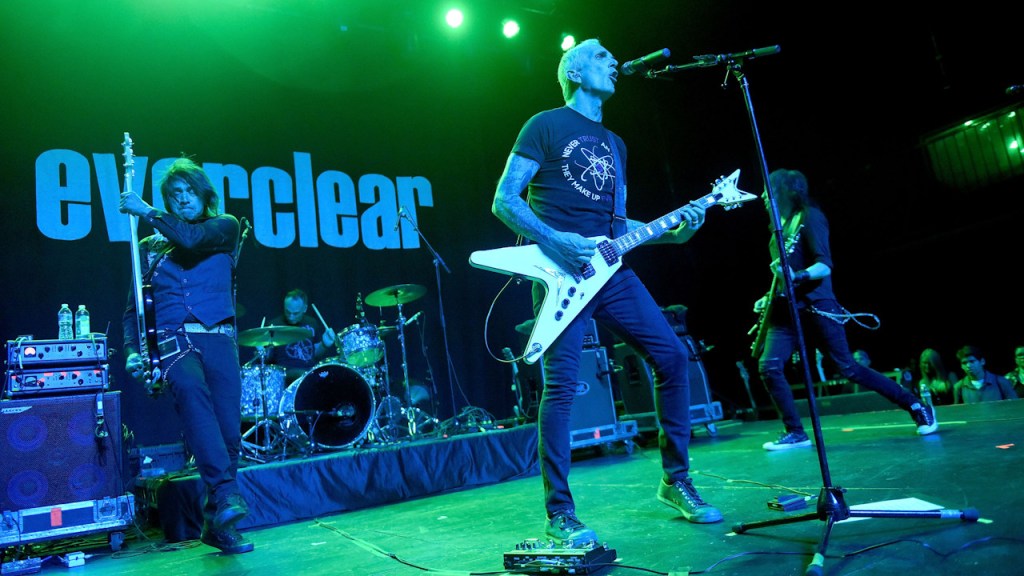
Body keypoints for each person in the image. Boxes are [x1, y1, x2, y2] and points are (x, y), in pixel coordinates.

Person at [490, 38, 720, 546]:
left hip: (612, 272)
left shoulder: (616, 144)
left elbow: (619, 225)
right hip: (560, 273)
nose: (614, 61)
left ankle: (675, 481)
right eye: (600, 56)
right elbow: (504, 200)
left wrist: (676, 230)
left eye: (612, 58)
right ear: (574, 71)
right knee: (562, 387)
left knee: (673, 358)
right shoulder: (545, 124)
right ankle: (560, 514)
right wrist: (555, 240)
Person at [120, 157, 252, 554]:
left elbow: (191, 239)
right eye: (175, 194)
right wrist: (132, 351)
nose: (182, 199)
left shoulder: (224, 226)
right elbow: (133, 311)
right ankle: (226, 495)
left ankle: (216, 524)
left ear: (203, 194)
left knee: (229, 433)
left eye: (189, 191)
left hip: (220, 339)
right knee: (194, 398)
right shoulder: (148, 249)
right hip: (173, 340)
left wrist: (146, 210)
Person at [753, 168, 938, 451]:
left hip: (817, 306)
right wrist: (768, 296)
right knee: (769, 366)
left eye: (770, 190)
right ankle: (795, 432)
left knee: (848, 368)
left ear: (788, 191)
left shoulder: (810, 217)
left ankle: (915, 405)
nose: (764, 196)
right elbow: (782, 278)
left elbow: (824, 265)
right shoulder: (775, 235)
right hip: (786, 313)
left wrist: (797, 276)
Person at [256, 289, 337, 384]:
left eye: (295, 313)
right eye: (288, 312)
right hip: (285, 374)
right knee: (301, 375)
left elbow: (314, 354)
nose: (291, 316)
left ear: (305, 308)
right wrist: (261, 351)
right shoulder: (273, 325)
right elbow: (268, 359)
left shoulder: (312, 323)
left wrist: (324, 345)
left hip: (309, 372)